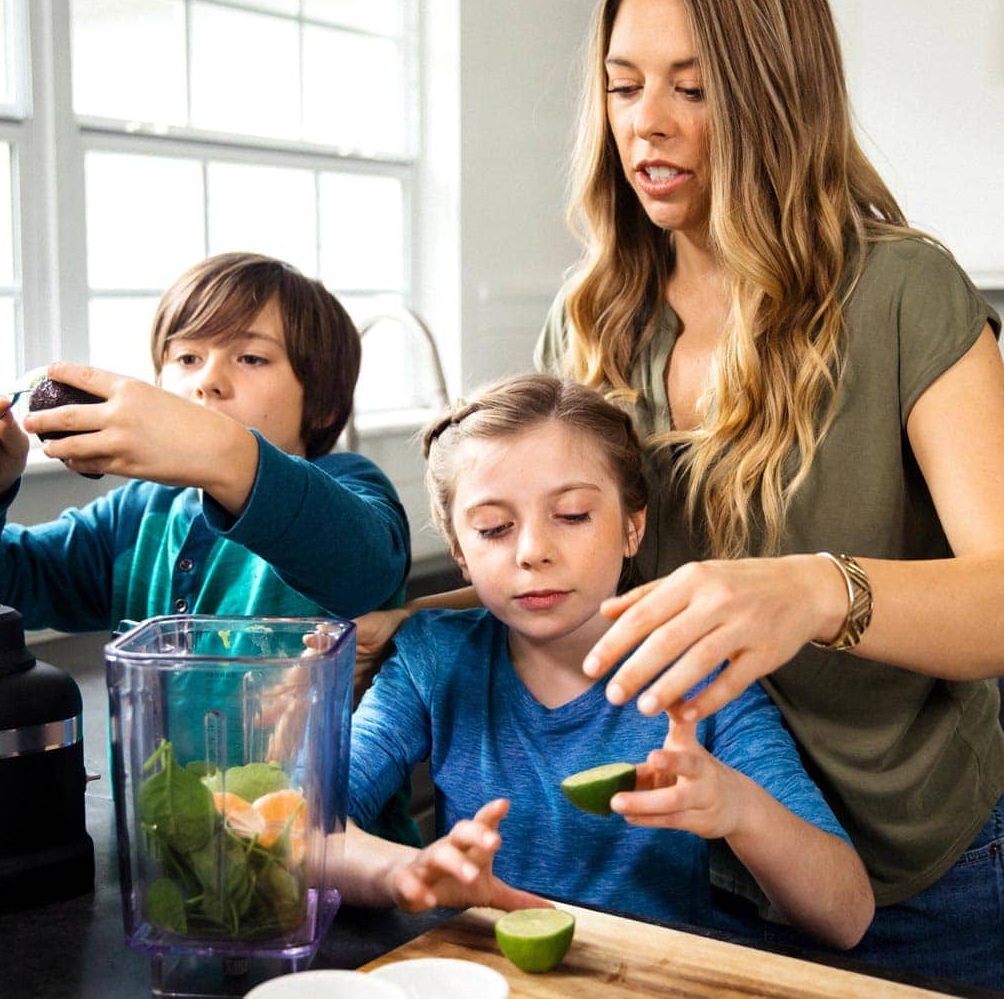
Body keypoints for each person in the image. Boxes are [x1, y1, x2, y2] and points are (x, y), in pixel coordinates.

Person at [526, 0, 1004, 987]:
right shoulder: (590, 317)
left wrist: (814, 591)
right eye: (624, 85)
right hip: (694, 868)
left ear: (775, 97)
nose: (646, 121)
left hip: (924, 883)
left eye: (693, 89)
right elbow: (558, 585)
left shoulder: (904, 292)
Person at [334, 374, 873, 951]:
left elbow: (845, 916)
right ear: (460, 553)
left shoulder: (700, 672)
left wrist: (737, 808)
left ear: (632, 527)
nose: (532, 551)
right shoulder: (431, 659)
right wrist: (401, 871)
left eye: (571, 515)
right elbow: (301, 826)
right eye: (494, 528)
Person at [0, 252, 418, 844]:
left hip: (339, 873)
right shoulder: (137, 515)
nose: (208, 379)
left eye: (251, 357)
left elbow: (361, 565)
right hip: (175, 872)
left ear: (324, 404)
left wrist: (226, 454)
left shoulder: (351, 488)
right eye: (187, 358)